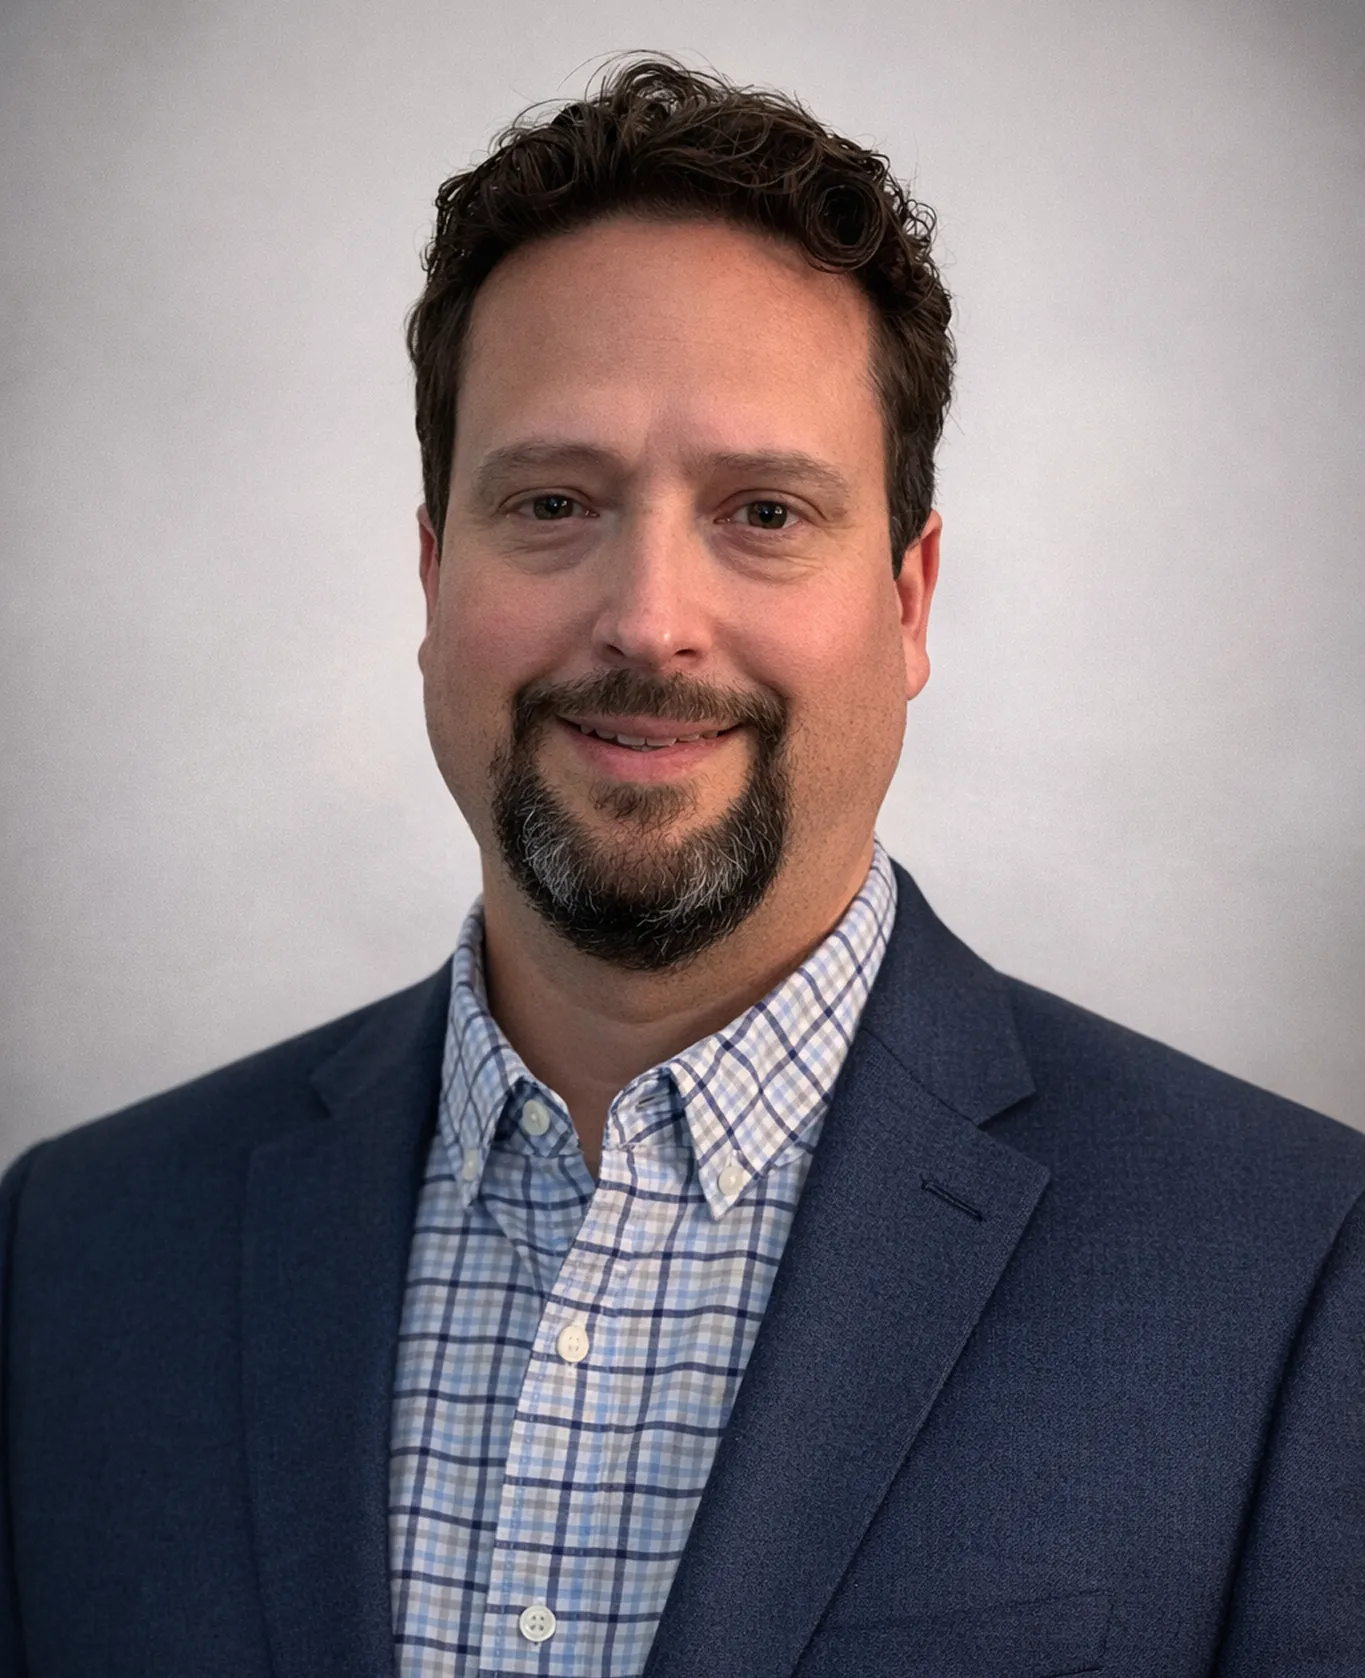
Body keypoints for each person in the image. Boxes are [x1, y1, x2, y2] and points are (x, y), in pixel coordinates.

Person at [1, 51, 1361, 1678]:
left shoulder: (1293, 1271)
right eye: (552, 502)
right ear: (433, 579)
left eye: (764, 512)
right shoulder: (72, 1258)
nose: (648, 620)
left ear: (909, 602)